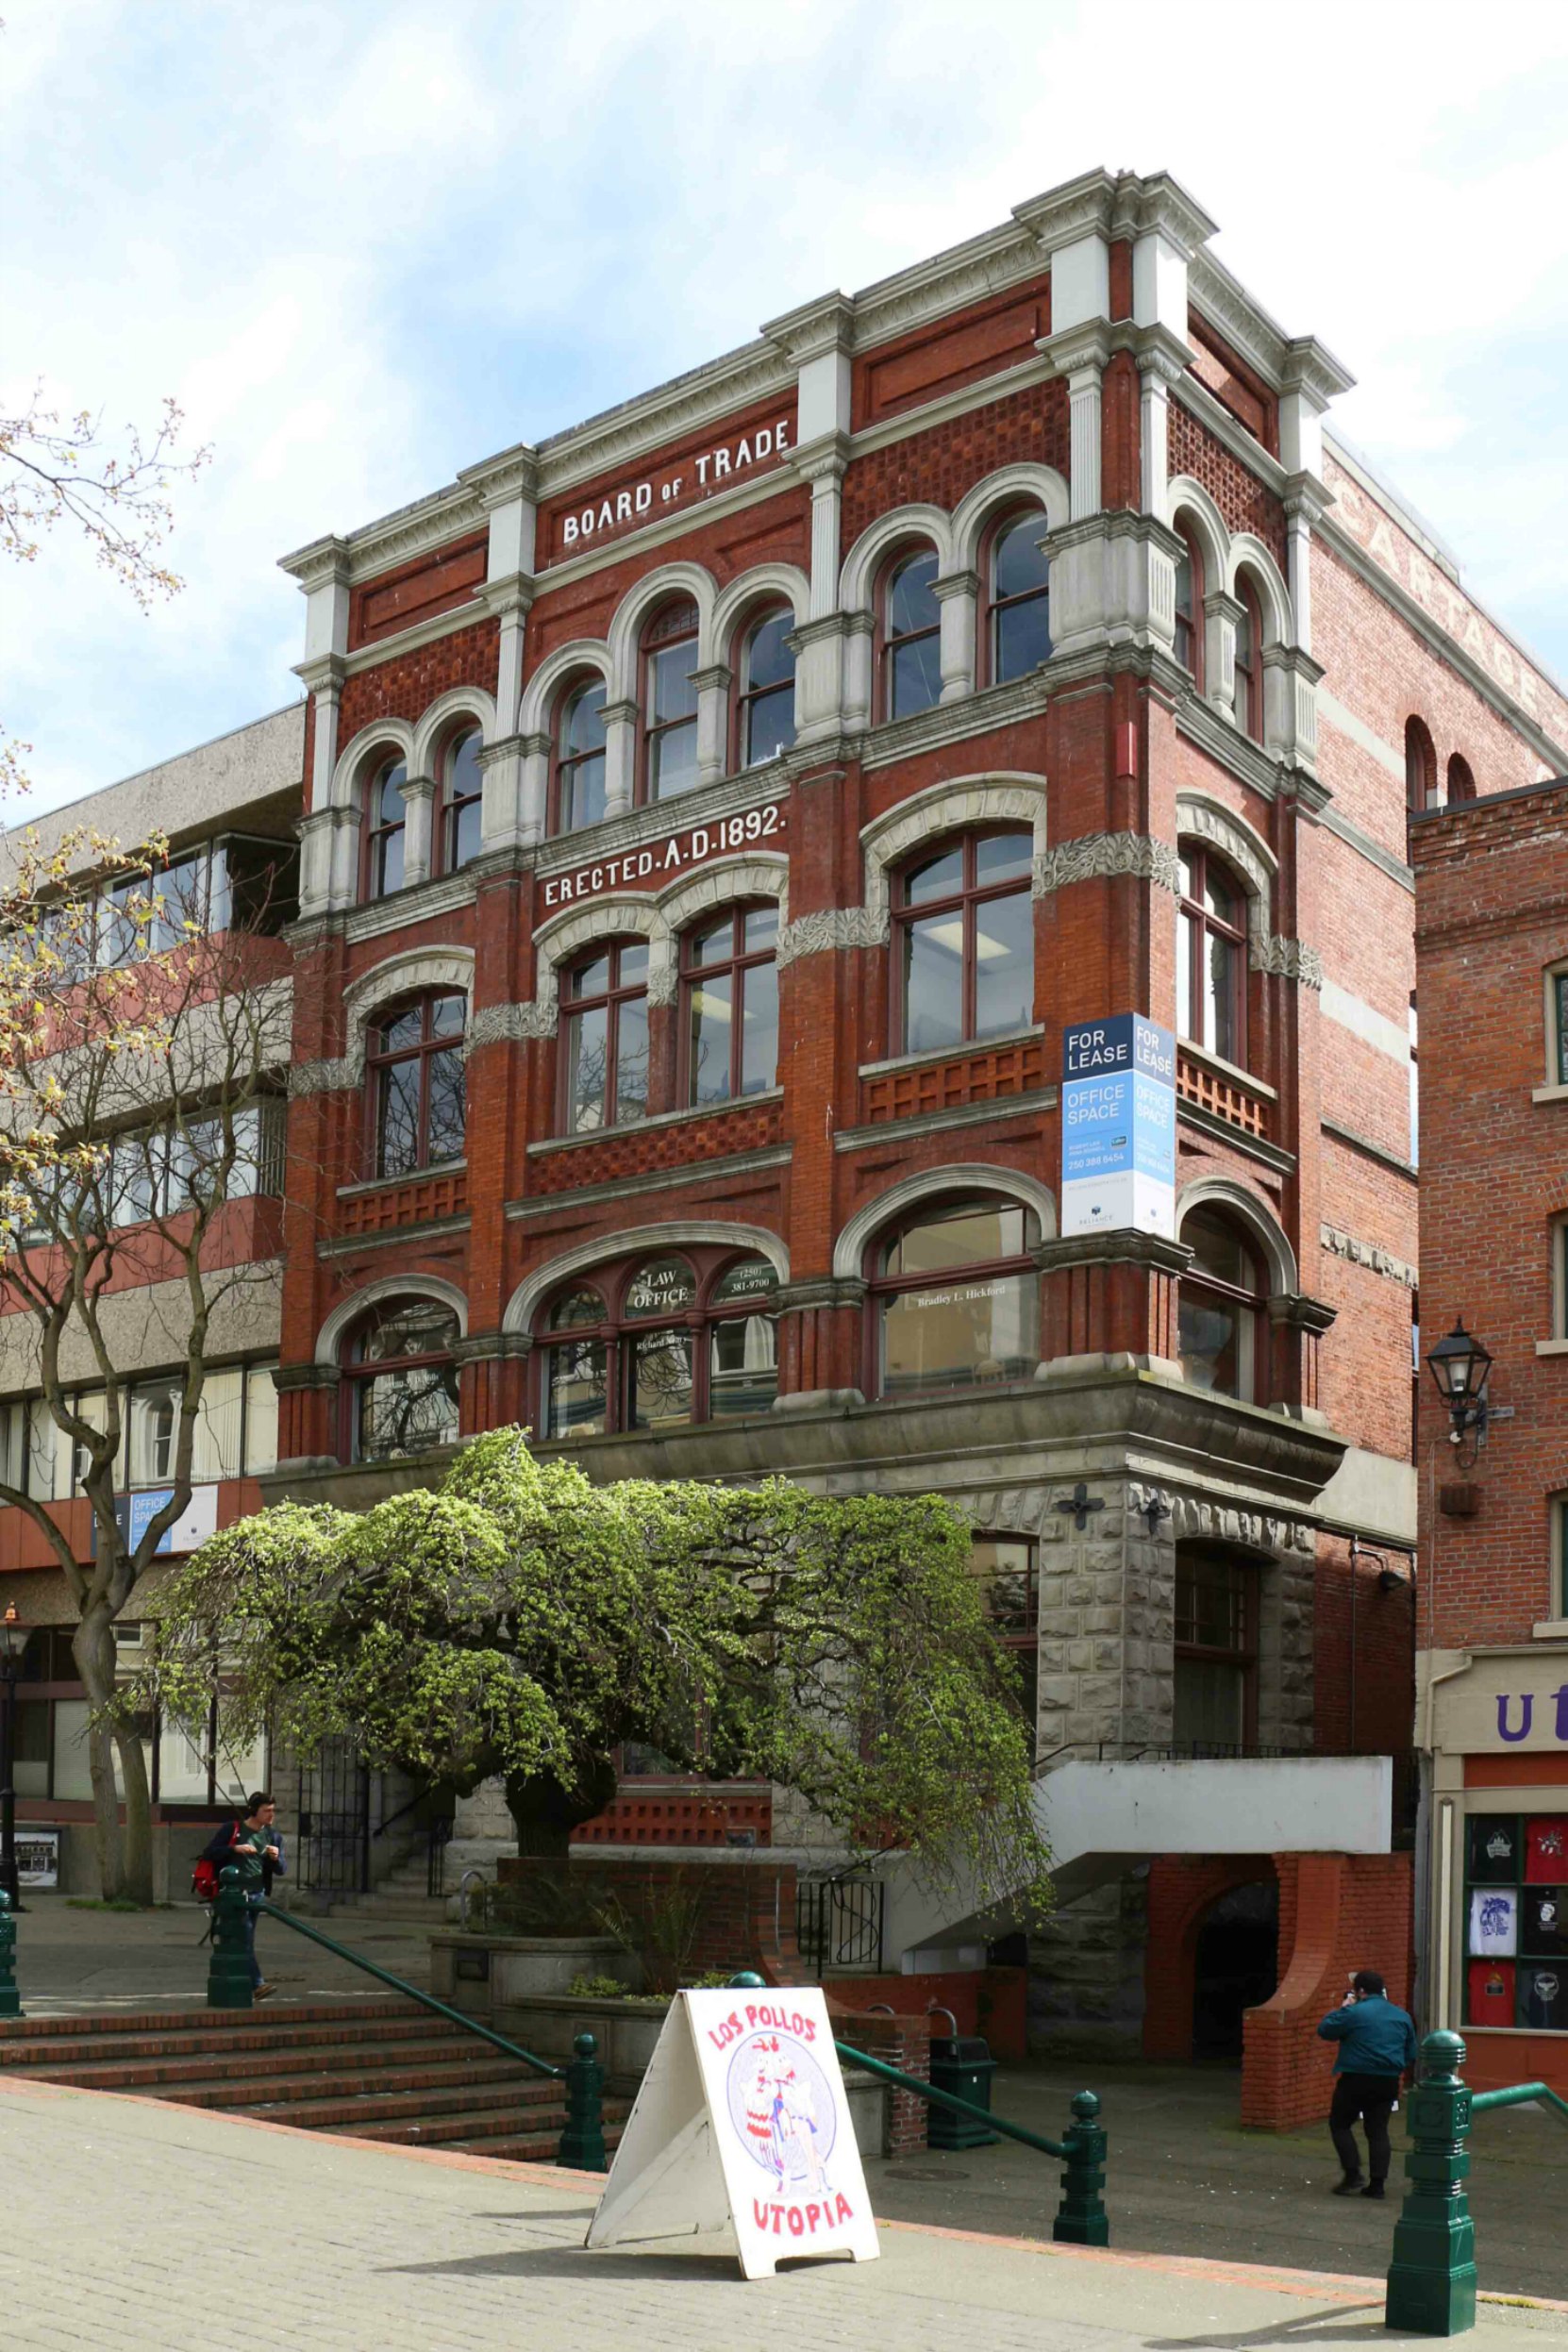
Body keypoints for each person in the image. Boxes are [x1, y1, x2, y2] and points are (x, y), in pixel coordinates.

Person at [1316, 1968, 1416, 2198]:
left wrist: (1345, 2007)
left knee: (1340, 2124)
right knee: (1378, 2130)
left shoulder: (1354, 2012)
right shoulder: (1402, 2016)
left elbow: (1325, 2030)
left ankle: (1353, 2175)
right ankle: (1377, 2185)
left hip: (1355, 2078)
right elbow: (1411, 2052)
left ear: (1359, 1991)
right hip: (1388, 2081)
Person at [203, 1793, 285, 2001]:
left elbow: (281, 1870)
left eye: (273, 1810)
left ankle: (249, 1983)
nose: (271, 1814)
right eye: (266, 1810)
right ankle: (257, 1984)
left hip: (256, 1894)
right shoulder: (233, 1829)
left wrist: (275, 1859)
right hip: (234, 1894)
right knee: (244, 1937)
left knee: (245, 1939)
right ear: (254, 1810)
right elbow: (210, 1852)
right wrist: (235, 1849)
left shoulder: (273, 1836)